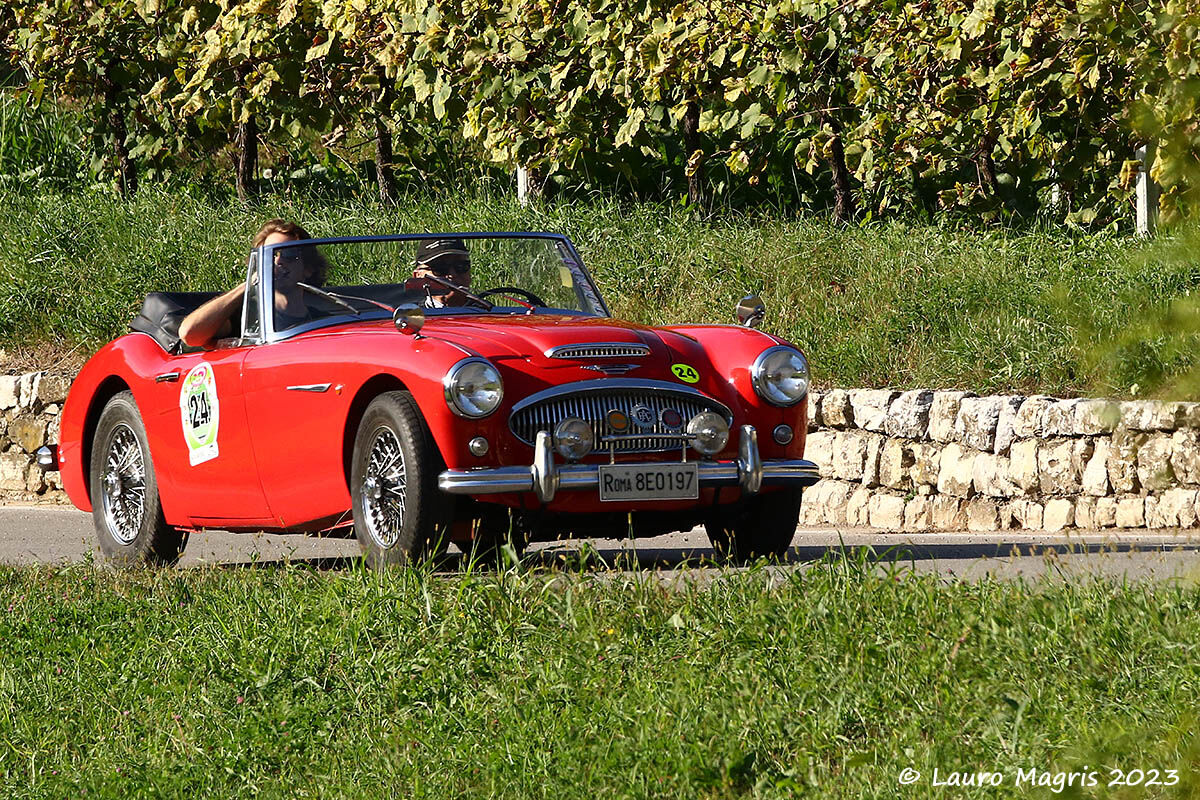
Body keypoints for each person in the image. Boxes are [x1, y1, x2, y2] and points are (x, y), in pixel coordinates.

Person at [179, 219, 323, 348]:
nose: (278, 261)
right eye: (270, 255)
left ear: (308, 269)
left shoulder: (320, 321)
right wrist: (249, 284)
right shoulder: (247, 315)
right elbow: (190, 334)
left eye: (289, 254)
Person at [412, 238, 473, 308]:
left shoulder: (486, 313)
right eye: (440, 268)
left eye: (460, 266)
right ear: (418, 276)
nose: (452, 274)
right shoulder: (410, 316)